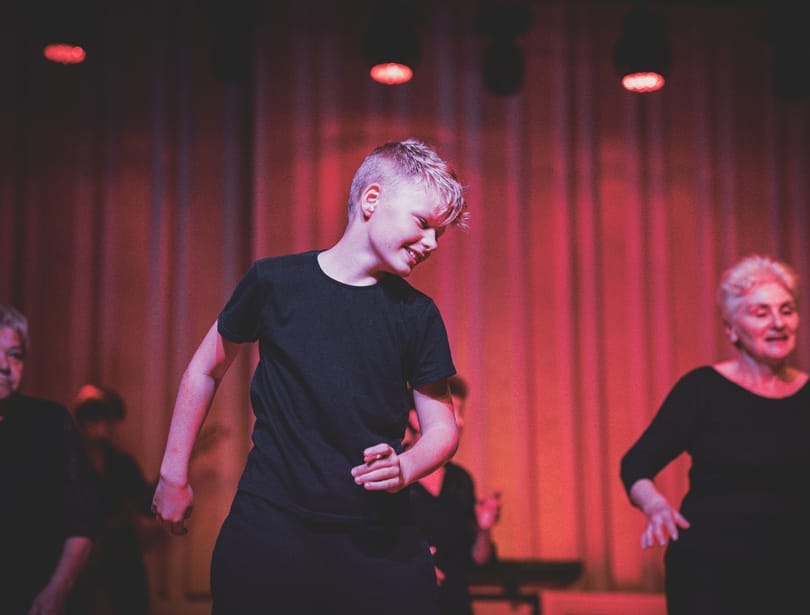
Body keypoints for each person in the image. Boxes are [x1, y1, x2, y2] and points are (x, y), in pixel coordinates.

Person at [151, 138, 469, 614]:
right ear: (372, 200)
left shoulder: (417, 315)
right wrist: (172, 475)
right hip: (273, 527)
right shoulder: (274, 283)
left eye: (439, 234)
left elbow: (443, 430)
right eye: (423, 223)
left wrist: (406, 466)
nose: (431, 243)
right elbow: (204, 369)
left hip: (376, 539)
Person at [619, 255, 810, 615]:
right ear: (732, 330)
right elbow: (636, 464)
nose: (778, 322)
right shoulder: (701, 390)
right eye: (761, 313)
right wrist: (655, 506)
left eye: (786, 310)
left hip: (803, 573)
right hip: (713, 576)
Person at [0, 304, 100, 615]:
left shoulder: (50, 422)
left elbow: (83, 518)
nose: (4, 365)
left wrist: (57, 589)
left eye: (15, 355)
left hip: (33, 597)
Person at [404, 375, 502, 615]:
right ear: (415, 417)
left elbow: (478, 560)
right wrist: (413, 568)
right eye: (451, 412)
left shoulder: (460, 480)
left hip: (455, 604)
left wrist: (484, 528)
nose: (460, 421)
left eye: (461, 412)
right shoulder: (395, 474)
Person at [72, 384, 155, 615]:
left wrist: (176, 474)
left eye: (106, 416)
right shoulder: (66, 462)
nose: (101, 423)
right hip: (78, 557)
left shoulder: (122, 463)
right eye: (93, 415)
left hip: (120, 553)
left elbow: (147, 506)